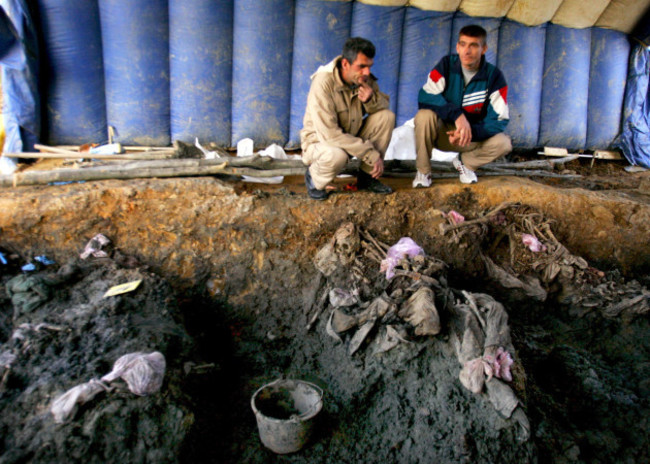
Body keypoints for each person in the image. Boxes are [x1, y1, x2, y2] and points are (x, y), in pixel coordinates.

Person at [413, 25, 511, 187]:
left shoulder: (494, 76)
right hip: (444, 133)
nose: (467, 51)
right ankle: (423, 172)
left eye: (473, 45)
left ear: (484, 49)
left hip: (469, 139)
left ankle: (465, 163)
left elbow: (499, 119)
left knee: (503, 143)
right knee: (424, 116)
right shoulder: (447, 65)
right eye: (463, 44)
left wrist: (470, 132)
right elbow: (425, 96)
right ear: (457, 47)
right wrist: (457, 116)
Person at [301, 37, 395, 200]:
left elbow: (383, 106)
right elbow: (330, 135)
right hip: (321, 142)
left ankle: (367, 177)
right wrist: (371, 154)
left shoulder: (364, 79)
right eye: (361, 66)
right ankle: (314, 179)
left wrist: (371, 99)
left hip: (349, 137)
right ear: (345, 64)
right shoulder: (323, 83)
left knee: (386, 117)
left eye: (369, 66)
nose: (366, 72)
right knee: (337, 155)